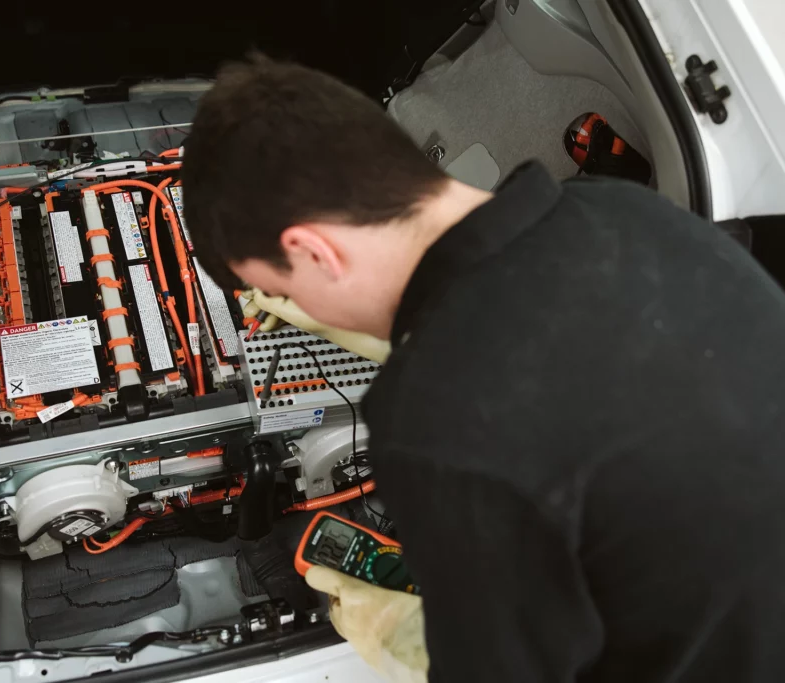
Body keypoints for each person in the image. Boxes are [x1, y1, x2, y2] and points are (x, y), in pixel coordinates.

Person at [181, 56, 785, 683]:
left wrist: (398, 635)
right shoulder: (624, 209)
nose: (295, 308)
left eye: (282, 289)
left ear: (313, 251)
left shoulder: (431, 426)